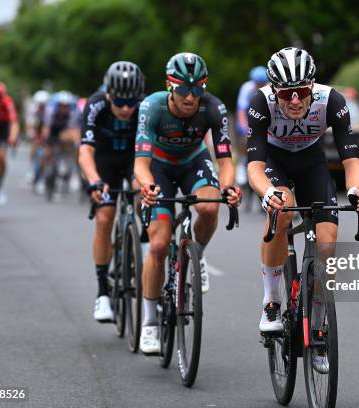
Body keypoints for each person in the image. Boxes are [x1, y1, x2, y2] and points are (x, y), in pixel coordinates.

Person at [246, 47, 359, 334]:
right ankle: (271, 300)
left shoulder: (332, 101)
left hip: (311, 161)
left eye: (302, 92)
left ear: (312, 86)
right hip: (274, 161)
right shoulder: (260, 102)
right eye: (285, 93)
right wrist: (268, 193)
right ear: (273, 89)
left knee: (327, 244)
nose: (294, 100)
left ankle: (317, 328)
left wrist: (356, 192)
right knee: (282, 211)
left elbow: (352, 161)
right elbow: (254, 167)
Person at [134, 52, 241, 355]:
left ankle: (198, 256)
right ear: (170, 86)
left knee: (209, 207)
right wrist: (147, 186)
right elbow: (140, 164)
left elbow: (225, 160)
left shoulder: (213, 106)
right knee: (157, 245)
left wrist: (229, 186)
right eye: (183, 89)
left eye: (198, 88)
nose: (191, 97)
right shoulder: (152, 107)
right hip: (160, 166)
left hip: (194, 160)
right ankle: (150, 322)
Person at [78, 61, 146, 322]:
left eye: (132, 102)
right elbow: (85, 151)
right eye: (120, 102)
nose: (126, 108)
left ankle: (144, 245)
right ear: (108, 94)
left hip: (133, 160)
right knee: (105, 217)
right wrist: (94, 180)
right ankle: (102, 294)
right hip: (104, 162)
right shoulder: (95, 104)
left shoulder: (144, 106)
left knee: (144, 194)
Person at [235, 66, 268, 188]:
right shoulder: (246, 88)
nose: (259, 86)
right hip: (248, 117)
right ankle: (242, 165)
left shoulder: (269, 87)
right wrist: (245, 129)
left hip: (263, 117)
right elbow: (241, 110)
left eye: (261, 83)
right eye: (257, 84)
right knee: (245, 139)